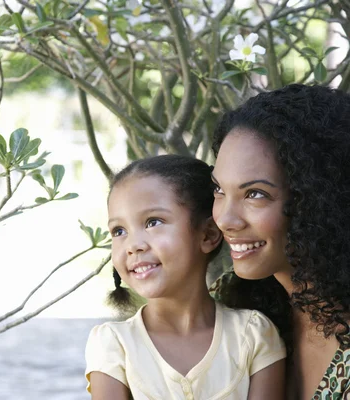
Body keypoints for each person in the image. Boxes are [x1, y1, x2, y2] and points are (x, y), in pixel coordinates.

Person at [85, 155, 286, 400]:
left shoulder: (254, 335)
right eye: (119, 231)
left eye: (153, 222)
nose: (132, 245)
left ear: (208, 234)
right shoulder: (114, 346)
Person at [211, 84, 350, 399]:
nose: (225, 219)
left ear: (316, 200)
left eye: (255, 194)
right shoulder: (227, 303)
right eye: (219, 190)